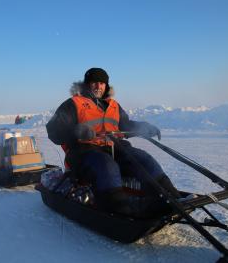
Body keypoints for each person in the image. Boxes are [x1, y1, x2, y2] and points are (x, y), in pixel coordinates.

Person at [46, 68, 180, 217]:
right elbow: (53, 130)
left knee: (142, 158)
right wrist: (76, 131)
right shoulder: (73, 104)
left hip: (115, 148)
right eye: (94, 83)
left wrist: (145, 128)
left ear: (106, 86)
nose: (98, 86)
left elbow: (125, 125)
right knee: (106, 165)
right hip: (83, 152)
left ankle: (169, 196)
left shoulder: (113, 105)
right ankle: (117, 206)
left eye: (102, 83)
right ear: (86, 85)